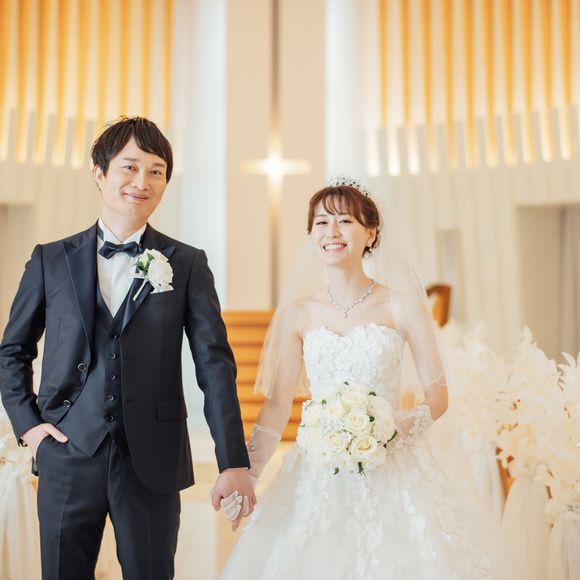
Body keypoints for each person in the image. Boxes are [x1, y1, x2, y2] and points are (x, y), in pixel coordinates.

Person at [219, 178, 517, 579]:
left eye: (345, 221)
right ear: (310, 234)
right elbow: (276, 405)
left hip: (395, 464)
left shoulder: (402, 306)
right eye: (321, 223)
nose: (332, 232)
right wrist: (250, 474)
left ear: (371, 233)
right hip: (319, 469)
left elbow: (437, 396)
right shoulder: (298, 313)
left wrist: (391, 432)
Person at [0, 117, 254, 580]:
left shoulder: (187, 263)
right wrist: (31, 429)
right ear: (99, 173)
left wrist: (232, 461)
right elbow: (13, 351)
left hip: (153, 459)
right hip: (66, 453)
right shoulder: (50, 259)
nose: (143, 182)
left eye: (156, 171)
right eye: (130, 167)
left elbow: (215, 366)